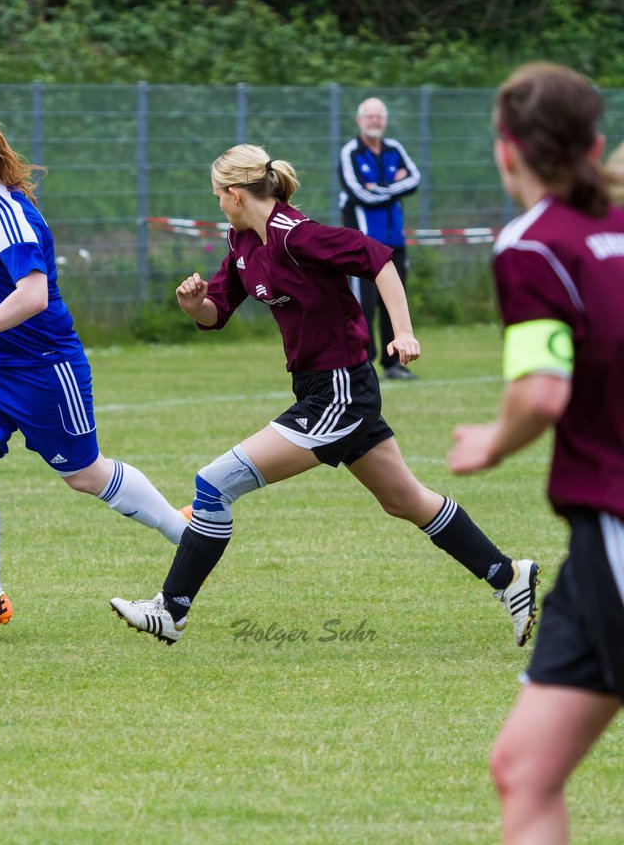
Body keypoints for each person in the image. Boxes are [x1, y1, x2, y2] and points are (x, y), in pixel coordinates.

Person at [109, 143, 536, 648]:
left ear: (235, 194)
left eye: (218, 196)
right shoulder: (243, 241)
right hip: (325, 389)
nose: (217, 205)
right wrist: (195, 304)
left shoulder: (300, 236)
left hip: (338, 391)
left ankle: (170, 610)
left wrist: (402, 332)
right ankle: (508, 577)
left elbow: (379, 260)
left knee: (213, 484)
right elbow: (216, 313)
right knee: (405, 501)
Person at [447, 63, 624, 845]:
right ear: (593, 142)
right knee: (523, 767)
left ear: (506, 151)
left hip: (618, 525)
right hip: (595, 548)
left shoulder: (534, 246)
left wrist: (491, 442)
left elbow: (542, 392)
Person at [0, 121, 188, 628]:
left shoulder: (10, 218)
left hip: (45, 369)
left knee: (84, 476)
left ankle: (182, 533)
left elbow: (33, 295)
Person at [338, 97, 422, 381]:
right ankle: (363, 364)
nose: (375, 120)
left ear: (384, 121)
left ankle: (394, 362)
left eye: (379, 116)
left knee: (394, 302)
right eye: (369, 116)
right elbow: (358, 192)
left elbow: (414, 180)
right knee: (364, 303)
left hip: (394, 240)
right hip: (364, 245)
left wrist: (381, 187)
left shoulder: (395, 149)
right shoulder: (350, 152)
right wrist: (394, 187)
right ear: (359, 120)